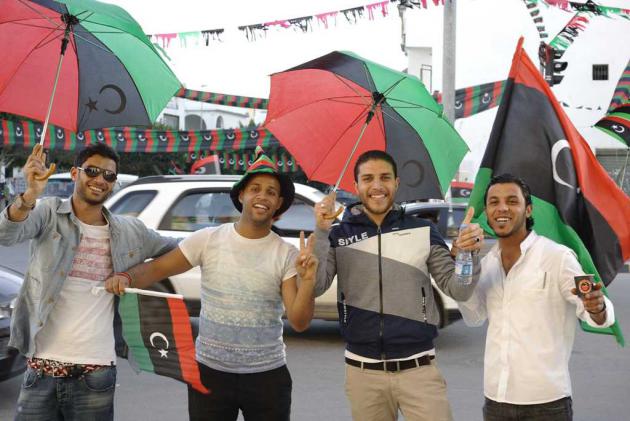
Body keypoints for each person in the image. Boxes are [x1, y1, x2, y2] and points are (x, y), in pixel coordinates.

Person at [104, 147, 318, 421]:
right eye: (255, 188)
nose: (262, 196)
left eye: (272, 192)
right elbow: (158, 267)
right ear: (242, 195)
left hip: (267, 376)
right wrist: (127, 277)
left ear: (278, 204)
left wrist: (308, 281)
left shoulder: (285, 253)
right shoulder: (208, 239)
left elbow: (299, 322)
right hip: (210, 374)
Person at [0, 143, 178, 421]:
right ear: (74, 173)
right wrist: (28, 195)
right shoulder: (48, 213)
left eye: (109, 176)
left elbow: (177, 251)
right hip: (41, 368)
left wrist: (132, 276)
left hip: (96, 372)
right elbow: (6, 236)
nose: (100, 180)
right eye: (92, 171)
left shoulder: (131, 231)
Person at [313, 149, 484, 421]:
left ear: (397, 183)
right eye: (368, 178)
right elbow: (316, 287)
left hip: (419, 370)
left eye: (385, 177)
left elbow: (459, 289)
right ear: (356, 186)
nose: (377, 186)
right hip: (362, 372)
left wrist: (467, 254)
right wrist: (321, 232)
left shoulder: (424, 230)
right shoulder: (338, 235)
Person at [457, 173, 615, 421]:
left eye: (512, 201)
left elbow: (595, 313)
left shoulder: (557, 257)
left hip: (546, 404)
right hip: (496, 400)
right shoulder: (486, 264)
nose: (502, 208)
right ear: (486, 213)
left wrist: (596, 307)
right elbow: (474, 317)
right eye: (494, 202)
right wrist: (464, 262)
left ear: (528, 210)